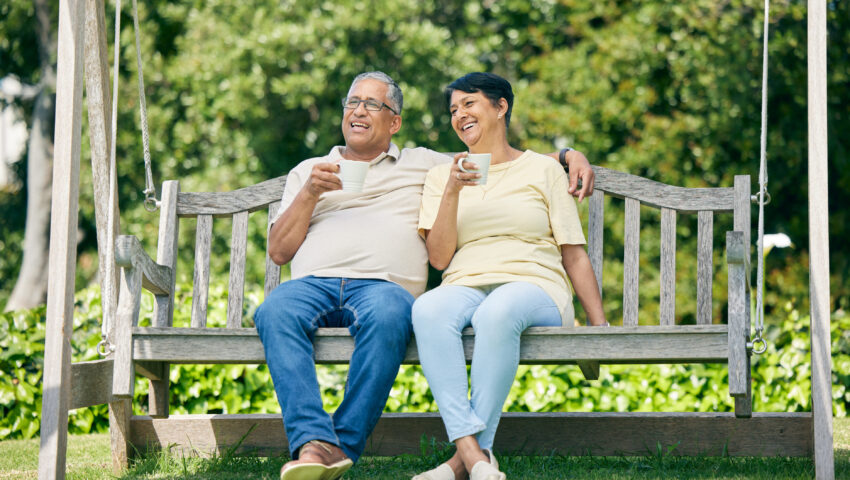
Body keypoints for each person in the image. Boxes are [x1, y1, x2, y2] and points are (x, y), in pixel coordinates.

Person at [253, 71, 596, 480]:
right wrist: (311, 193)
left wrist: (566, 155)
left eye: (372, 104)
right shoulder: (309, 170)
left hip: (383, 287)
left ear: (394, 122)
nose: (358, 111)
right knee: (274, 311)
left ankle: (345, 446)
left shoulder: (422, 164)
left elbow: (498, 155)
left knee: (393, 315)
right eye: (352, 102)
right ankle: (314, 444)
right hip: (313, 283)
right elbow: (278, 252)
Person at [411, 72, 607, 480]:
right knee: (428, 309)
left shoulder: (543, 169)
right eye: (453, 109)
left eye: (469, 103)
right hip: (464, 283)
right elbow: (440, 259)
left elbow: (572, 253)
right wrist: (451, 190)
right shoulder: (440, 176)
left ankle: (461, 462)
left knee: (496, 312)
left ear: (501, 108)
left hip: (535, 285)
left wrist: (598, 325)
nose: (459, 114)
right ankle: (474, 457)